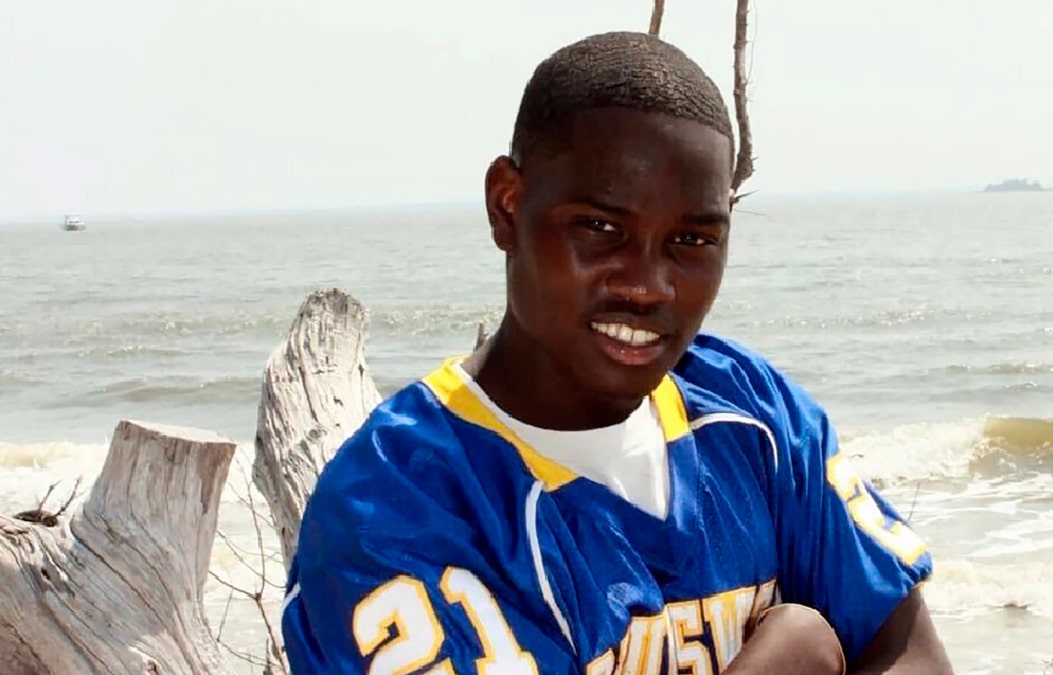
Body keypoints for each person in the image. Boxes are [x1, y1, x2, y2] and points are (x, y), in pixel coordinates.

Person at [281, 31, 954, 675]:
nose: (647, 284)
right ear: (507, 206)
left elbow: (910, 650)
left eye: (691, 241)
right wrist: (794, 651)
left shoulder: (753, 413)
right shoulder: (394, 506)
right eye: (601, 228)